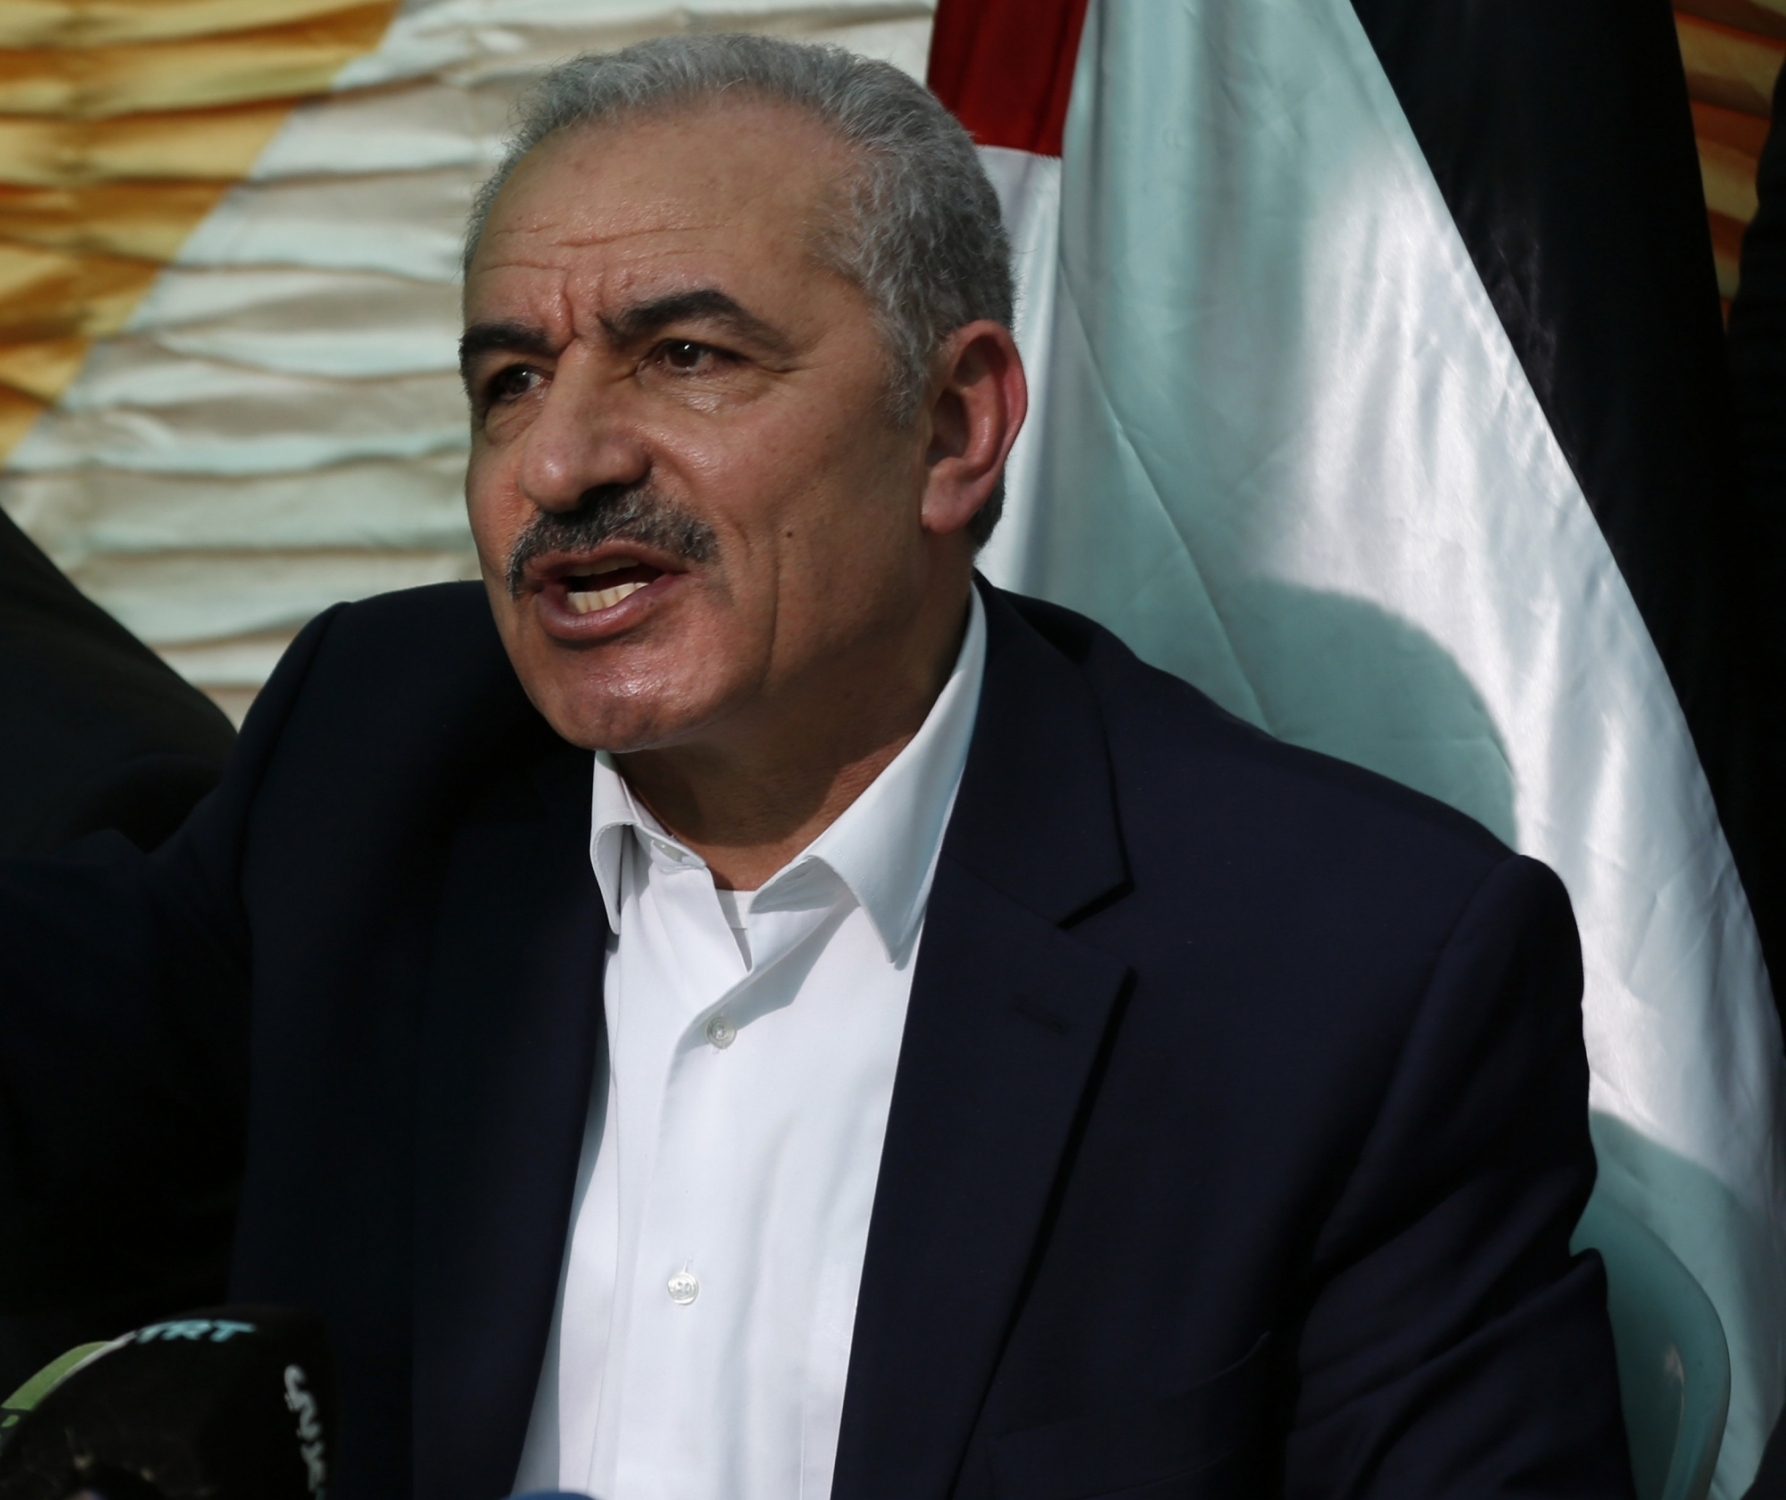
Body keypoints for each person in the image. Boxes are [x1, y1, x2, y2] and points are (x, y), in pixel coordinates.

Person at [0, 33, 1632, 1500]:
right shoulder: (380, 753)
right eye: (510, 381)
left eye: (686, 357)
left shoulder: (1342, 975)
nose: (559, 460)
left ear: (954, 426)